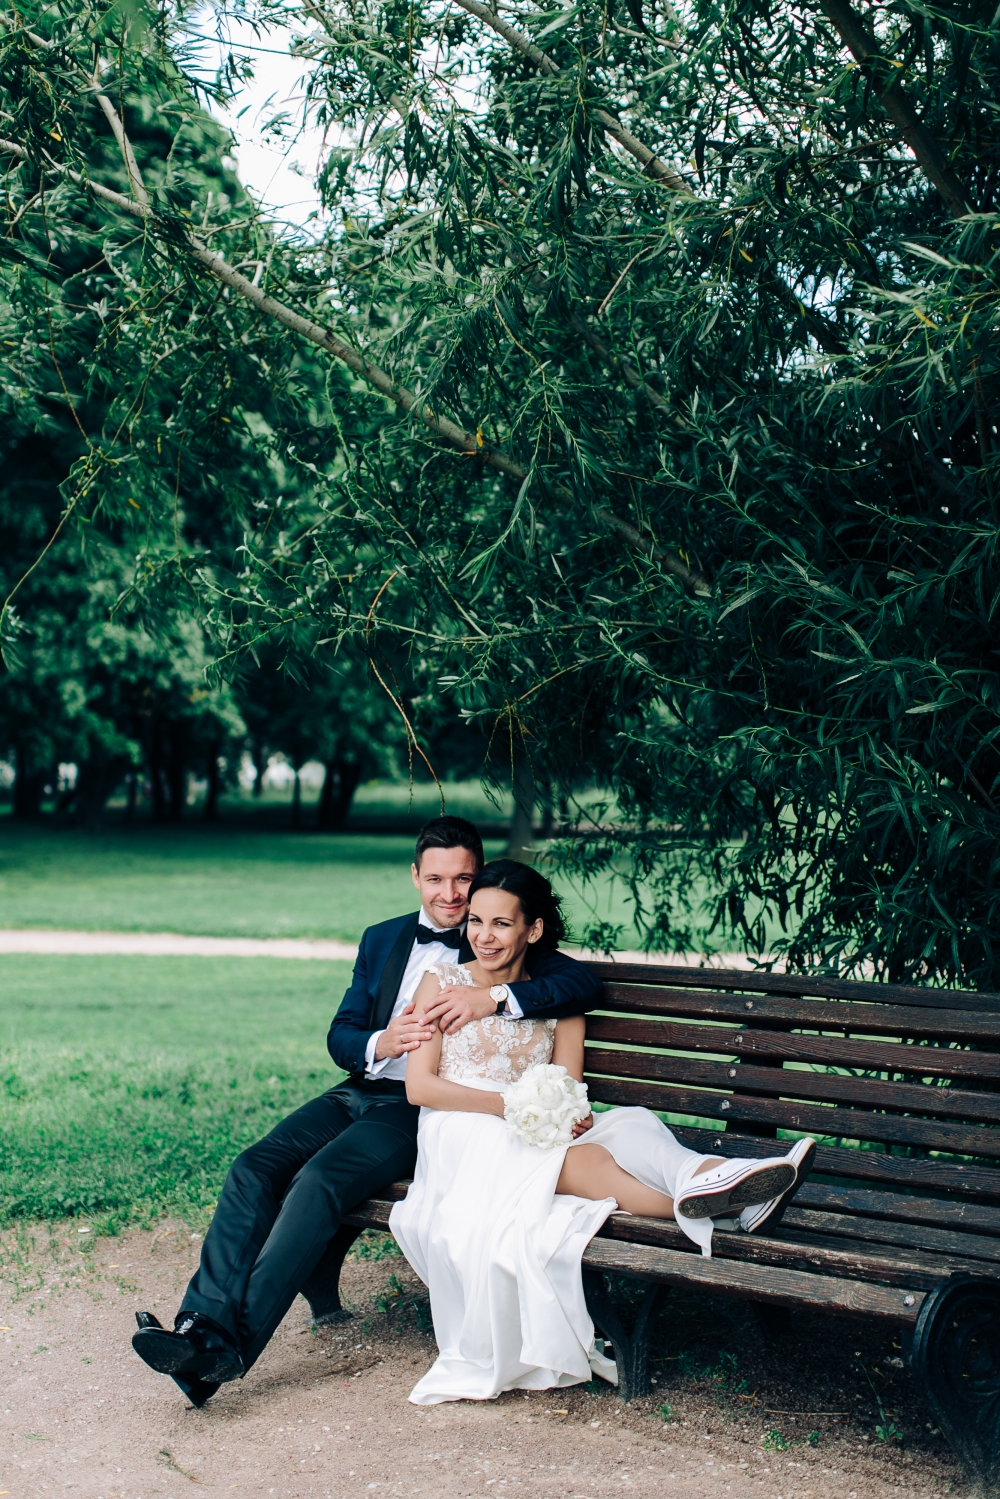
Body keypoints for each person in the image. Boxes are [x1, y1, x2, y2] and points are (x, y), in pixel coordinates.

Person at [131, 817, 603, 1408]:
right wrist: (382, 1041)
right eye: (436, 879)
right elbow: (342, 1032)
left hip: (416, 1107)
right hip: (360, 1086)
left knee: (318, 1182)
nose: (451, 894)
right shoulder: (382, 938)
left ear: (480, 880)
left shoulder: (496, 939)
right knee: (253, 1167)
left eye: (463, 879)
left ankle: (223, 1350)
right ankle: (199, 1325)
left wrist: (493, 995)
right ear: (416, 878)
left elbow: (581, 986)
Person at [390, 859, 816, 1404]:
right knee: (586, 1163)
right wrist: (509, 1106)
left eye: (500, 923)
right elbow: (420, 1087)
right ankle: (726, 1208)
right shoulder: (441, 982)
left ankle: (721, 1179)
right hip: (462, 1127)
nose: (483, 936)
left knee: (632, 1125)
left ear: (532, 930)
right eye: (475, 921)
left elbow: (568, 1085)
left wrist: (568, 1112)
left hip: (529, 1124)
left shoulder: (557, 996)